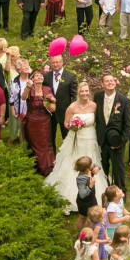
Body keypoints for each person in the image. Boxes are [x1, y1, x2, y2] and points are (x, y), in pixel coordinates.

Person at [45, 82, 110, 212]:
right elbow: (65, 123)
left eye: (86, 91)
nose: (84, 93)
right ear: (78, 93)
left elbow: (100, 121)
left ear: (89, 92)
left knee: (91, 160)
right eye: (82, 91)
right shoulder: (72, 107)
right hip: (76, 138)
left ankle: (94, 190)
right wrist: (73, 125)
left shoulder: (95, 106)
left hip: (90, 137)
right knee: (73, 161)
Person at [95, 75, 130, 192]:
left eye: (112, 80)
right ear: (102, 84)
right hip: (101, 139)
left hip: (116, 140)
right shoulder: (98, 97)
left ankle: (120, 192)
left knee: (118, 169)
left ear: (116, 83)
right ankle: (104, 190)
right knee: (103, 167)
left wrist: (122, 141)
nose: (110, 83)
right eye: (107, 81)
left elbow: (128, 124)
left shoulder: (124, 100)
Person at [22, 68, 56, 175]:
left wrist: (49, 104)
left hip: (45, 121)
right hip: (32, 122)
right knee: (34, 144)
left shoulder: (47, 89)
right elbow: (23, 98)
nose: (39, 77)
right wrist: (27, 87)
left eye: (41, 75)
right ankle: (37, 167)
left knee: (46, 144)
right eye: (37, 76)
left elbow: (53, 109)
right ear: (32, 78)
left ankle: (48, 168)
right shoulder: (29, 89)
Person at [45, 54, 79, 149]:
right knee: (50, 138)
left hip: (65, 112)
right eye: (53, 62)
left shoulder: (70, 77)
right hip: (50, 113)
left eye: (57, 62)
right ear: (50, 63)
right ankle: (52, 159)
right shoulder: (46, 77)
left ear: (62, 62)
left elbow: (74, 96)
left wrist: (73, 111)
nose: (55, 64)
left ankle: (68, 158)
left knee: (67, 138)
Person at [8, 59, 30, 143]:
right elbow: (11, 96)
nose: (26, 66)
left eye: (27, 65)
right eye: (23, 65)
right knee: (21, 130)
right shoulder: (14, 81)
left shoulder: (33, 79)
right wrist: (13, 109)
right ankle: (23, 148)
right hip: (19, 109)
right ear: (18, 70)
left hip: (31, 109)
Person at [75, 160, 100, 228]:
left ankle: (92, 235)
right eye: (91, 164)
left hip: (92, 199)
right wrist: (90, 186)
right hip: (84, 202)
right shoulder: (81, 179)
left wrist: (97, 167)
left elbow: (97, 164)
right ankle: (81, 236)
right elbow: (82, 194)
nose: (93, 165)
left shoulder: (89, 170)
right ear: (87, 168)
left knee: (94, 219)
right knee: (82, 218)